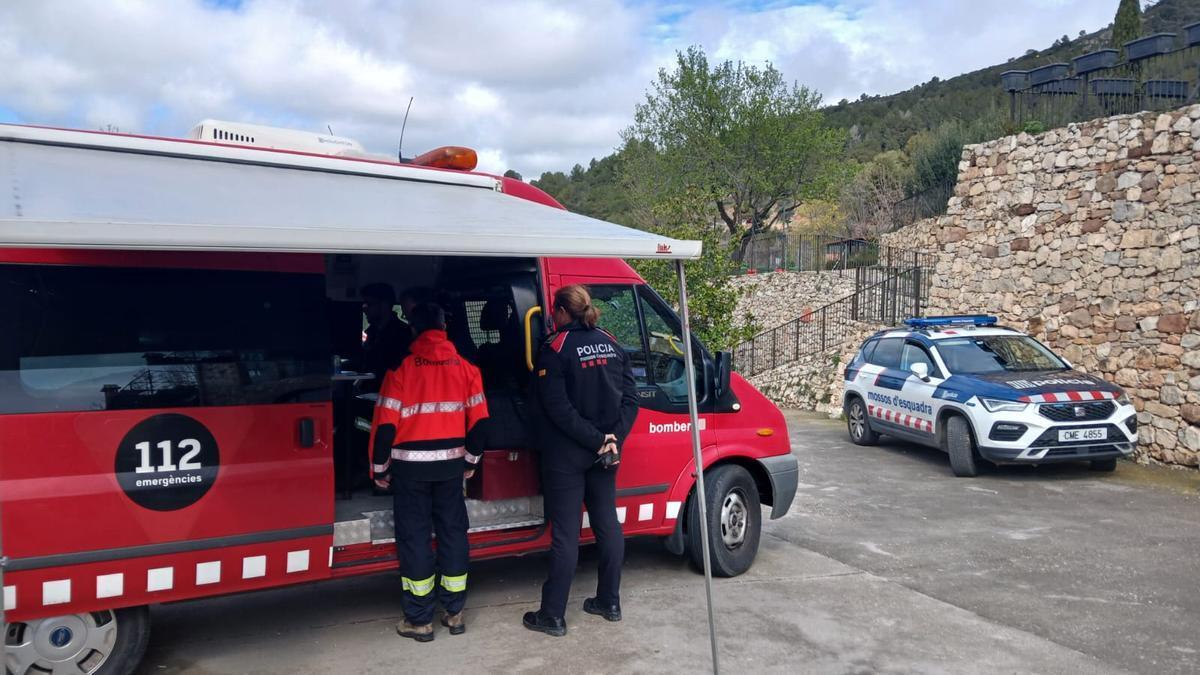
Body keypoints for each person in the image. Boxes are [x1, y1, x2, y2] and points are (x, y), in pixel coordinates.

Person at [522, 285, 639, 637]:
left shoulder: (555, 349)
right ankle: (610, 601)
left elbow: (557, 409)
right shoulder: (612, 342)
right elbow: (631, 398)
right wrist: (611, 439)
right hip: (607, 453)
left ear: (559, 312)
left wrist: (595, 439)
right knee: (608, 525)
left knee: (566, 536)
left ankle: (553, 615)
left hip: (568, 455)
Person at [370, 302, 489, 642]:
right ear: (444, 328)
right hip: (451, 470)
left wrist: (380, 470)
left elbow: (384, 429)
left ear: (413, 330)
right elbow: (480, 424)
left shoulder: (401, 368)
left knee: (416, 539)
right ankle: (454, 614)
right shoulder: (467, 368)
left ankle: (419, 620)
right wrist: (470, 462)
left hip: (409, 472)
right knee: (453, 534)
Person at [360, 282, 413, 391]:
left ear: (384, 305)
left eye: (368, 304)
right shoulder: (371, 332)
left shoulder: (403, 333)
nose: (364, 309)